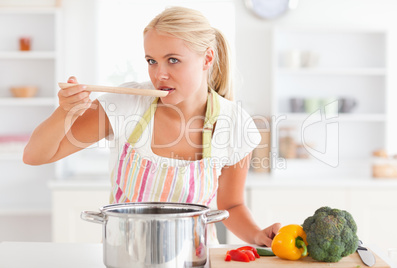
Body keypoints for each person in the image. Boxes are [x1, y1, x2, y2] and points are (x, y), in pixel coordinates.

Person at [23, 6, 280, 246]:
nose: (160, 74)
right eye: (152, 61)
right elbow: (35, 155)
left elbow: (231, 205)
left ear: (207, 58)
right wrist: (64, 111)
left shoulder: (234, 123)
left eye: (173, 60)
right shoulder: (126, 105)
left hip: (194, 256)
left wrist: (258, 235)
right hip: (126, 255)